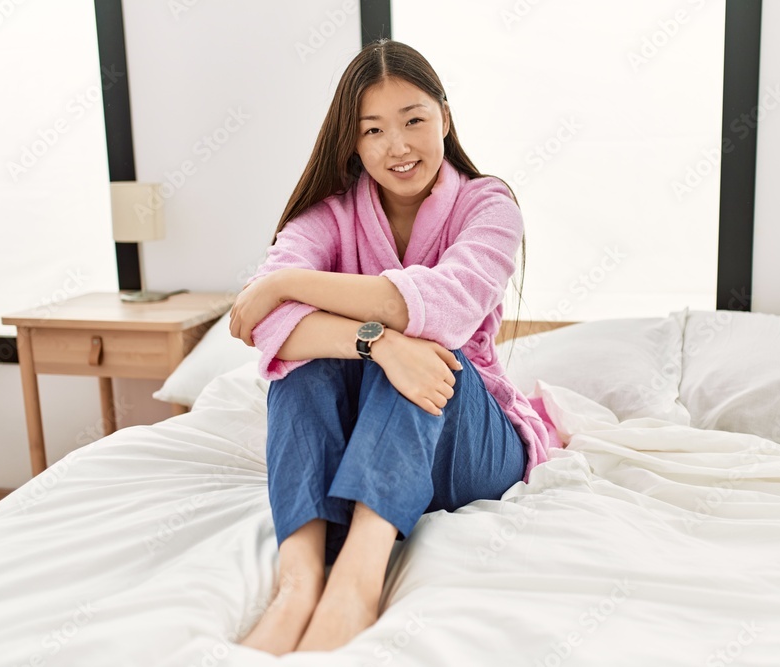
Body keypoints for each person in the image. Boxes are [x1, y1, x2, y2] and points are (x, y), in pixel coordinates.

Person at [229, 39, 562, 655]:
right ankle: (298, 584)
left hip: (468, 440)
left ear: (445, 117)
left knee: (427, 350)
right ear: (352, 143)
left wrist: (286, 284)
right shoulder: (330, 216)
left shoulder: (488, 204)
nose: (398, 146)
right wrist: (376, 344)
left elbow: (447, 305)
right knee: (305, 368)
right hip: (366, 439)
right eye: (373, 130)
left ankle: (357, 580)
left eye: (414, 121)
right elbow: (262, 328)